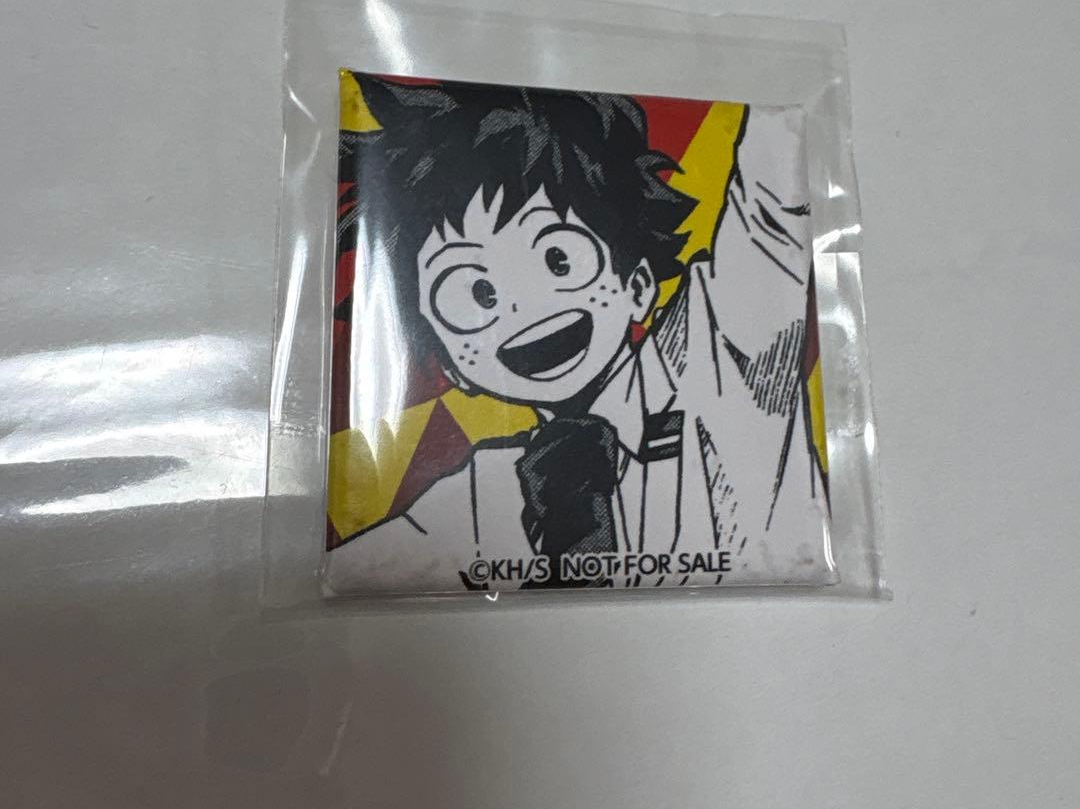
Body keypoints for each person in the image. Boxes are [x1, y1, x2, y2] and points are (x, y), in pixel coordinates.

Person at [325, 77, 833, 593]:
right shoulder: (483, 494)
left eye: (558, 259)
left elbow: (772, 205)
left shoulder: (721, 349)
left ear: (638, 284)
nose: (524, 309)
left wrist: (763, 75)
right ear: (450, 365)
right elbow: (350, 576)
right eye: (477, 294)